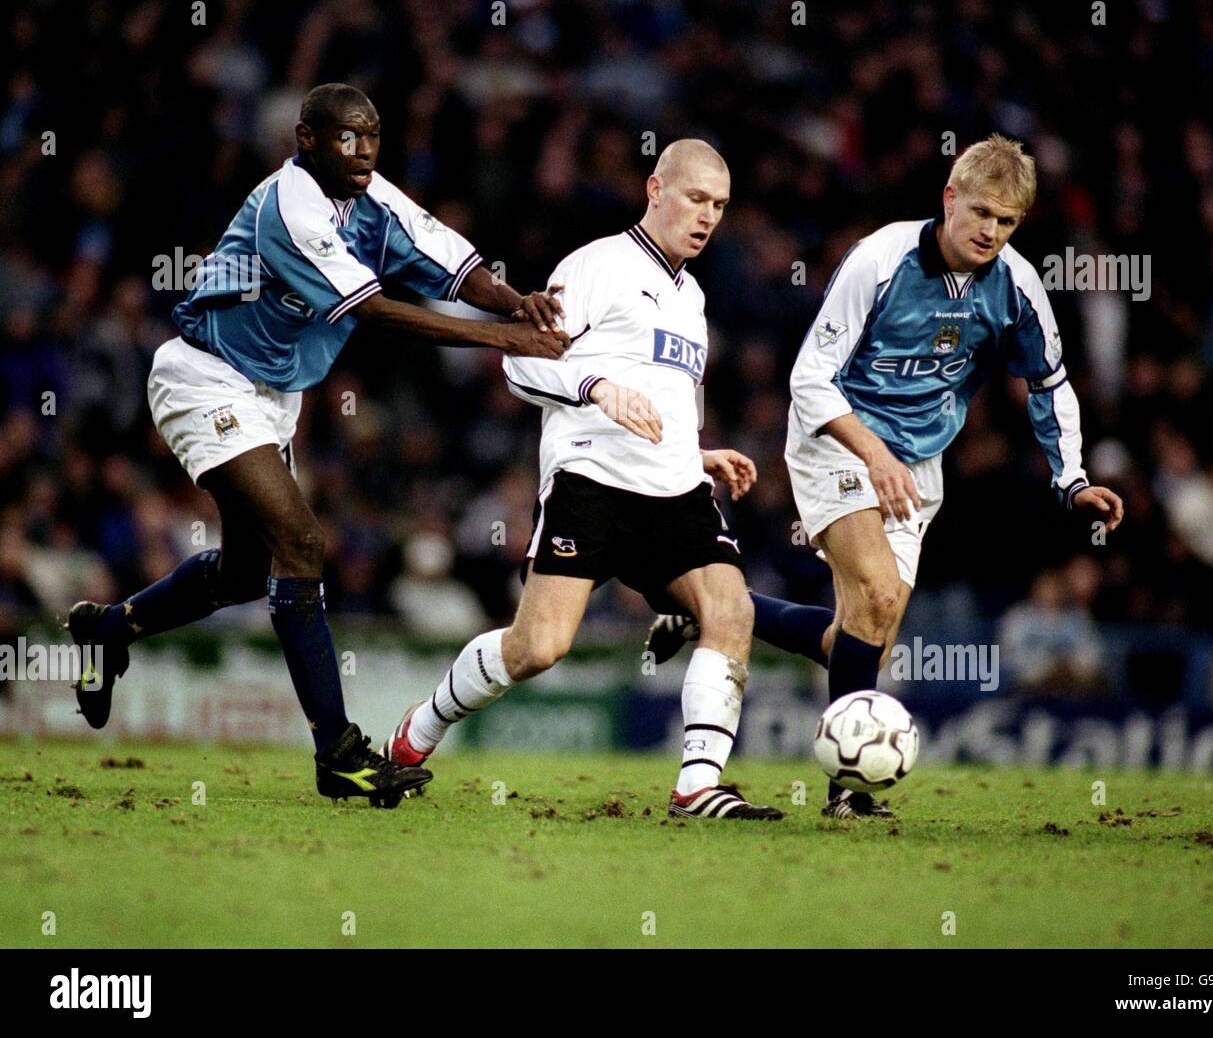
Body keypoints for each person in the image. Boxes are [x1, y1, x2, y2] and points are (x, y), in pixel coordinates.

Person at [68, 83, 568, 808]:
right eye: (346, 137)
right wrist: (507, 340)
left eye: (372, 136)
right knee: (302, 542)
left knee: (247, 573)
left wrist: (517, 300)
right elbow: (375, 310)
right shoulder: (290, 207)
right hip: (207, 377)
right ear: (306, 138)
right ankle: (338, 752)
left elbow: (452, 265)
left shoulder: (371, 195)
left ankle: (109, 630)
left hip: (273, 396)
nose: (362, 149)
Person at [646, 135, 1124, 820]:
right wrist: (871, 451)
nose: (991, 231)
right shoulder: (881, 259)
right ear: (950, 198)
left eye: (1008, 221)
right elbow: (808, 378)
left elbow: (1048, 381)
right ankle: (848, 789)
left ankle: (710, 605)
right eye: (982, 212)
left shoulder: (1017, 287)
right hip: (835, 439)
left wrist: (1072, 478)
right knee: (873, 586)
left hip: (917, 464)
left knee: (861, 630)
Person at [382, 139, 783, 820]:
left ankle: (697, 784)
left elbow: (667, 396)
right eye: (695, 198)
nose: (707, 215)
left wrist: (699, 450)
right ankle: (415, 735)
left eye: (719, 205)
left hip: (676, 493)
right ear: (656, 189)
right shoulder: (597, 266)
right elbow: (519, 359)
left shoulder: (695, 297)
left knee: (732, 607)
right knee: (537, 647)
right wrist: (597, 387)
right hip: (591, 484)